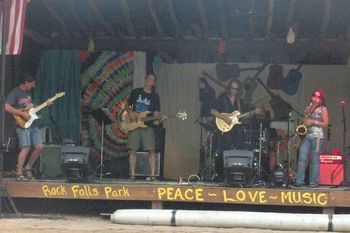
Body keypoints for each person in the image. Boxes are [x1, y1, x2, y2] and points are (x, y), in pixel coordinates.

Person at [210, 79, 262, 179]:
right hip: (224, 130)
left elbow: (242, 116)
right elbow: (212, 111)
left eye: (236, 89)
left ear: (239, 90)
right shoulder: (222, 98)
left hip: (236, 130)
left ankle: (235, 173)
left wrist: (254, 112)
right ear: (229, 88)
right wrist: (224, 117)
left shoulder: (240, 102)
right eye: (232, 88)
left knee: (237, 150)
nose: (234, 90)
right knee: (222, 152)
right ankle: (221, 175)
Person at [5, 73, 46, 181]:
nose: (33, 85)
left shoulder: (28, 92)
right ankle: (19, 173)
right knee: (26, 147)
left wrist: (42, 105)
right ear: (26, 83)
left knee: (39, 147)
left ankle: (28, 167)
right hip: (21, 124)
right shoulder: (15, 92)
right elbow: (7, 107)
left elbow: (28, 108)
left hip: (32, 123)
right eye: (32, 83)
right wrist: (22, 114)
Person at [126, 73, 160, 181]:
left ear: (154, 83)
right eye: (148, 78)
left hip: (147, 125)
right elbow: (127, 105)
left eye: (152, 79)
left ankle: (153, 175)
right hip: (134, 124)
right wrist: (130, 112)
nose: (150, 81)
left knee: (151, 150)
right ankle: (132, 174)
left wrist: (157, 120)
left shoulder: (155, 96)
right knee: (132, 149)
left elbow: (156, 112)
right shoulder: (136, 92)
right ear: (145, 80)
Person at [295, 89, 329, 187]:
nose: (315, 99)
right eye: (314, 96)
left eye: (318, 97)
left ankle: (314, 182)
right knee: (302, 158)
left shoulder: (323, 109)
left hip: (317, 137)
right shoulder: (308, 108)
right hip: (307, 135)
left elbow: (326, 123)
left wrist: (313, 122)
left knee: (314, 160)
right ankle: (299, 181)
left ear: (321, 99)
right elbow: (306, 121)